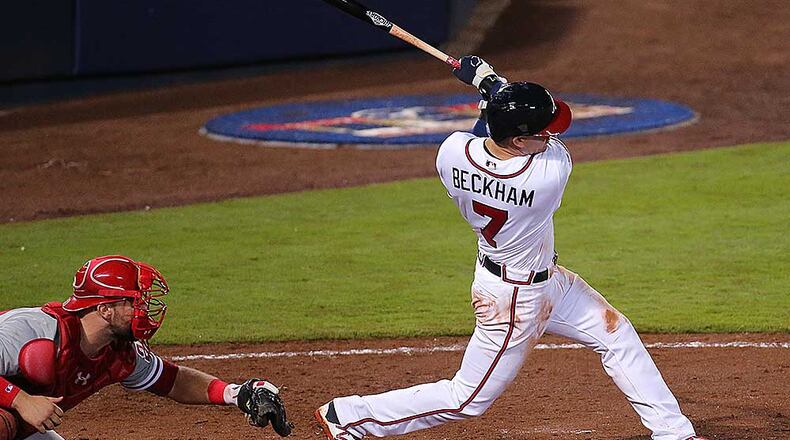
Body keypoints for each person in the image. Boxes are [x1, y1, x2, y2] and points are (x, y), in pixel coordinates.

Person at [314, 56, 708, 440]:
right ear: (521, 141)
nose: (551, 136)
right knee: (466, 398)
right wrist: (489, 83)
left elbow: (479, 136)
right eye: (544, 132)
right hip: (512, 301)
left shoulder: (450, 153)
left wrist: (489, 92)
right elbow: (496, 126)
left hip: (540, 280)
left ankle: (674, 433)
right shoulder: (548, 175)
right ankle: (347, 417)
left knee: (616, 334)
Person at [0, 255, 293, 440]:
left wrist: (236, 393)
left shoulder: (118, 351)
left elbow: (172, 380)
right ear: (105, 309)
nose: (144, 308)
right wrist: (20, 400)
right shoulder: (33, 330)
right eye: (134, 301)